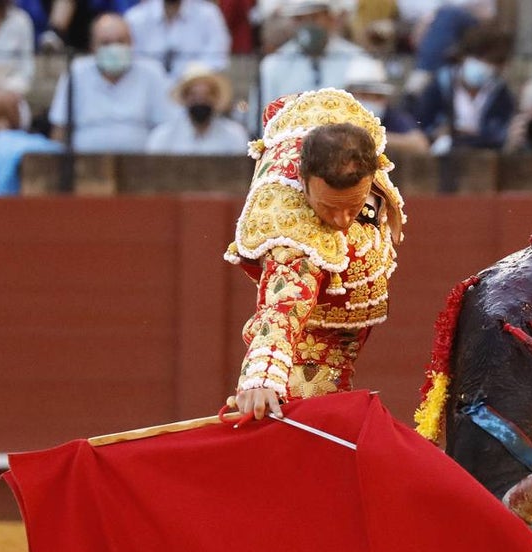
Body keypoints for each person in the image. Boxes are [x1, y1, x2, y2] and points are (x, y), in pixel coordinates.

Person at [224, 87, 406, 420]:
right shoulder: (293, 231)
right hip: (311, 339)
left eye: (354, 206)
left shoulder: (339, 122)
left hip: (343, 322)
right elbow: (280, 306)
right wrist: (262, 376)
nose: (340, 221)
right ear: (303, 180)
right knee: (307, 418)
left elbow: (284, 106)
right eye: (328, 207)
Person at [47, 12, 173, 152]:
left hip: (142, 166)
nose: (114, 49)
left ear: (132, 43)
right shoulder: (77, 72)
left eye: (120, 42)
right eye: (106, 43)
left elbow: (166, 128)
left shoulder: (152, 72)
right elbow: (60, 129)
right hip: (84, 165)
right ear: (92, 47)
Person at [413, 22, 514, 151]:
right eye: (480, 58)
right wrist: (437, 133)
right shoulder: (439, 85)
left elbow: (501, 134)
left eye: (493, 61)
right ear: (464, 56)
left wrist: (474, 136)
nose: (486, 65)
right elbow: (420, 126)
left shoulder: (501, 94)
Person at [257, 1, 366, 104]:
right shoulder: (274, 64)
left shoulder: (359, 60)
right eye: (300, 19)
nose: (308, 25)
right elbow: (264, 116)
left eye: (314, 17)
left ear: (331, 18)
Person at [146, 61, 249, 154]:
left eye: (207, 95)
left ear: (216, 98)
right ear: (185, 98)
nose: (200, 100)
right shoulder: (162, 138)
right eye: (194, 95)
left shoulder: (235, 136)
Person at [123, 0, 230, 82]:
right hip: (148, 90)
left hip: (193, 89)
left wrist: (191, 75)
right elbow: (130, 60)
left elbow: (217, 58)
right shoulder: (136, 18)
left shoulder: (208, 15)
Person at [343, 53, 429, 154]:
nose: (372, 102)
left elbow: (420, 144)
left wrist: (373, 137)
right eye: (365, 95)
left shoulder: (389, 115)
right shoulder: (334, 116)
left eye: (378, 97)